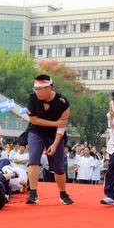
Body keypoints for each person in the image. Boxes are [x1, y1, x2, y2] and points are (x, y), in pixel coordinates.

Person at [25, 74, 74, 205]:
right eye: (35, 88)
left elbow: (62, 125)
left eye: (39, 89)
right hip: (36, 131)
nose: (37, 92)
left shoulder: (63, 102)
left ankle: (63, 194)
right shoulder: (32, 98)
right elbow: (34, 120)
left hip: (55, 135)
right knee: (33, 159)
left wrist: (55, 143)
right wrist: (54, 123)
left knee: (58, 166)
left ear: (49, 88)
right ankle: (33, 194)